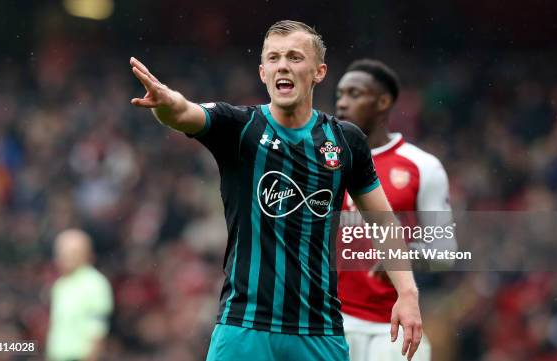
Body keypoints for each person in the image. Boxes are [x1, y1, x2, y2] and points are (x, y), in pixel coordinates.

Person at [130, 20, 422, 361]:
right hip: (245, 328)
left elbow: (383, 222)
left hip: (319, 332)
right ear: (263, 72)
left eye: (295, 57)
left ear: (319, 72)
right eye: (274, 58)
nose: (283, 64)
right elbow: (184, 112)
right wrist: (167, 104)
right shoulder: (239, 127)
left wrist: (408, 293)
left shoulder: (346, 140)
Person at [336, 59, 455, 361]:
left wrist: (408, 256)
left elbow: (445, 253)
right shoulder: (323, 161)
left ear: (383, 102)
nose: (342, 104)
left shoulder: (422, 167)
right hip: (327, 325)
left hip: (390, 329)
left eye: (354, 94)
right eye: (340, 95)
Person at [46, 229, 114, 361]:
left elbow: (98, 331)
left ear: (87, 253)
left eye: (72, 252)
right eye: (61, 252)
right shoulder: (60, 285)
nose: (65, 257)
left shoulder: (95, 284)